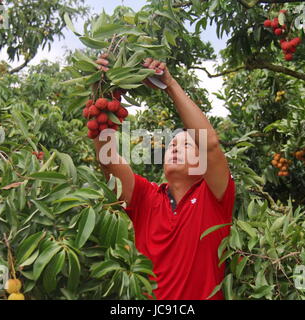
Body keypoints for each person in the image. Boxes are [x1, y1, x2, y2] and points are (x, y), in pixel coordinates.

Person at [92, 54, 236, 300]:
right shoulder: (146, 198)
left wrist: (169, 83)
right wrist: (101, 93)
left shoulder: (215, 197)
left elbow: (210, 144)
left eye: (188, 145)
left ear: (204, 164)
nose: (177, 147)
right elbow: (107, 159)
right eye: (173, 145)